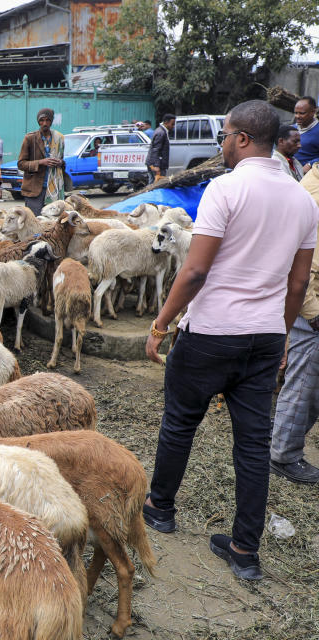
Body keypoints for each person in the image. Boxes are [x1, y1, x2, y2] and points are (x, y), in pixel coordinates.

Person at [143, 100, 318, 580]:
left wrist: (161, 324)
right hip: (264, 336)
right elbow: (298, 285)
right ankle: (245, 550)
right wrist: (280, 335)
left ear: (242, 138)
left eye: (224, 135)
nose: (221, 144)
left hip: (212, 332)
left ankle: (160, 508)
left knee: (180, 421)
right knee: (253, 442)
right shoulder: (303, 200)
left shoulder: (225, 190)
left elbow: (196, 269)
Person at [269, 164, 319, 483]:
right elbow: (305, 265)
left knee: (311, 383)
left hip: (309, 300)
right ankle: (283, 454)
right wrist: (313, 313)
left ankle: (280, 439)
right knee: (305, 378)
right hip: (312, 305)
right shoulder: (313, 193)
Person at [18, 108, 66, 216]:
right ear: (38, 121)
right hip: (34, 190)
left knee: (52, 223)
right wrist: (40, 162)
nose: (44, 123)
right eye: (41, 120)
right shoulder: (30, 138)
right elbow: (21, 164)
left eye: (47, 120)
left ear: (51, 121)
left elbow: (63, 162)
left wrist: (60, 163)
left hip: (55, 190)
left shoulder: (59, 138)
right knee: (35, 222)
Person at [146, 113, 175, 183]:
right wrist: (156, 166)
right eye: (172, 124)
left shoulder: (161, 131)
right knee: (158, 185)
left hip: (153, 163)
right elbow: (156, 150)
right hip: (156, 165)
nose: (173, 126)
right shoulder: (161, 133)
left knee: (152, 185)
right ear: (166, 122)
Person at [294, 97, 319, 173]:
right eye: (296, 113)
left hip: (309, 176)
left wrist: (310, 164)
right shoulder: (291, 129)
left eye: (302, 113)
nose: (297, 116)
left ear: (313, 112)